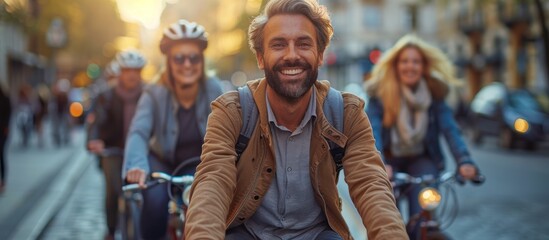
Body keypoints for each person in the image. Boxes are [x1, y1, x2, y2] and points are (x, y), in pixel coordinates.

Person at [184, 0, 408, 239]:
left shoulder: (346, 113)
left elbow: (371, 185)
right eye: (279, 45)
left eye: (303, 44)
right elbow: (212, 183)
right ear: (260, 58)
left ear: (320, 55)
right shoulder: (232, 111)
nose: (291, 55)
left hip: (317, 234)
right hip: (248, 232)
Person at [364, 34, 480, 239]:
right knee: (389, 223)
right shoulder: (381, 94)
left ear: (424, 66)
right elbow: (374, 132)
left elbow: (450, 129)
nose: (410, 66)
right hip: (390, 160)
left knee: (424, 216)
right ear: (396, 65)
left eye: (416, 61)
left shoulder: (434, 93)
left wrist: (464, 161)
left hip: (422, 159)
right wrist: (380, 165)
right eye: (405, 61)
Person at [123, 19, 223, 239]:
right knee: (155, 202)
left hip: (201, 165)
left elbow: (235, 130)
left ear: (202, 60)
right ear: (168, 62)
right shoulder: (153, 93)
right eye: (179, 58)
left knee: (213, 210)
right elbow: (138, 132)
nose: (187, 64)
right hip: (162, 165)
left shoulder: (215, 89)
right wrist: (137, 166)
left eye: (194, 57)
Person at [87, 49, 147, 240]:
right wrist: (93, 140)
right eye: (127, 70)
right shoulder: (106, 95)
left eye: (136, 71)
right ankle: (111, 231)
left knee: (148, 190)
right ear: (120, 71)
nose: (131, 74)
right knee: (112, 191)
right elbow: (95, 120)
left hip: (141, 152)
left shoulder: (150, 94)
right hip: (113, 149)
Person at [0, 85, 11, 192]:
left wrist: (7, 127)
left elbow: (9, 114)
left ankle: (3, 181)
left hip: (3, 131)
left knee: (1, 154)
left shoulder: (5, 99)